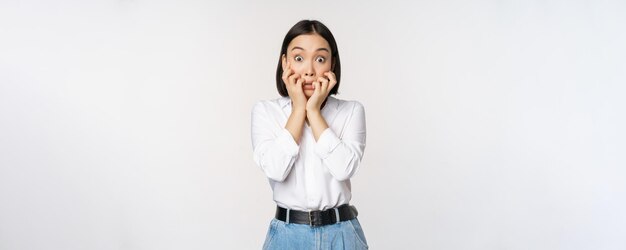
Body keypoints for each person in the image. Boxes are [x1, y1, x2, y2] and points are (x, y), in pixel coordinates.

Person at [251, 20, 368, 249]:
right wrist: (298, 109)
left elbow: (344, 168)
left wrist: (313, 111)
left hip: (342, 234)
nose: (309, 70)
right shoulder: (266, 111)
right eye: (298, 58)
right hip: (287, 235)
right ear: (285, 62)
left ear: (332, 64)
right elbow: (275, 169)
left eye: (320, 59)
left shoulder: (351, 110)